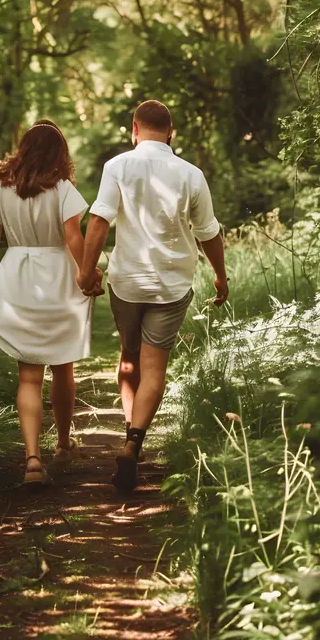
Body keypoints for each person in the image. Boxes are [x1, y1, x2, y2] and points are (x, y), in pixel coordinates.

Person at [77, 100, 228, 492]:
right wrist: (220, 276)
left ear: (135, 129)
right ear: (171, 132)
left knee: (129, 357)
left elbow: (99, 220)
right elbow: (209, 232)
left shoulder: (118, 167)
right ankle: (134, 439)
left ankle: (131, 434)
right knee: (154, 366)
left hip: (126, 282)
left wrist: (85, 269)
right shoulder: (192, 175)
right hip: (171, 286)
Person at [0, 120, 103, 486]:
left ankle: (32, 460)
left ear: (24, 148)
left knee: (28, 374)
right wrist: (86, 273)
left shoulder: (1, 186)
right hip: (58, 277)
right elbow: (73, 237)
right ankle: (63, 445)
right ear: (59, 153)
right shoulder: (62, 188)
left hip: (18, 276)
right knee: (63, 365)